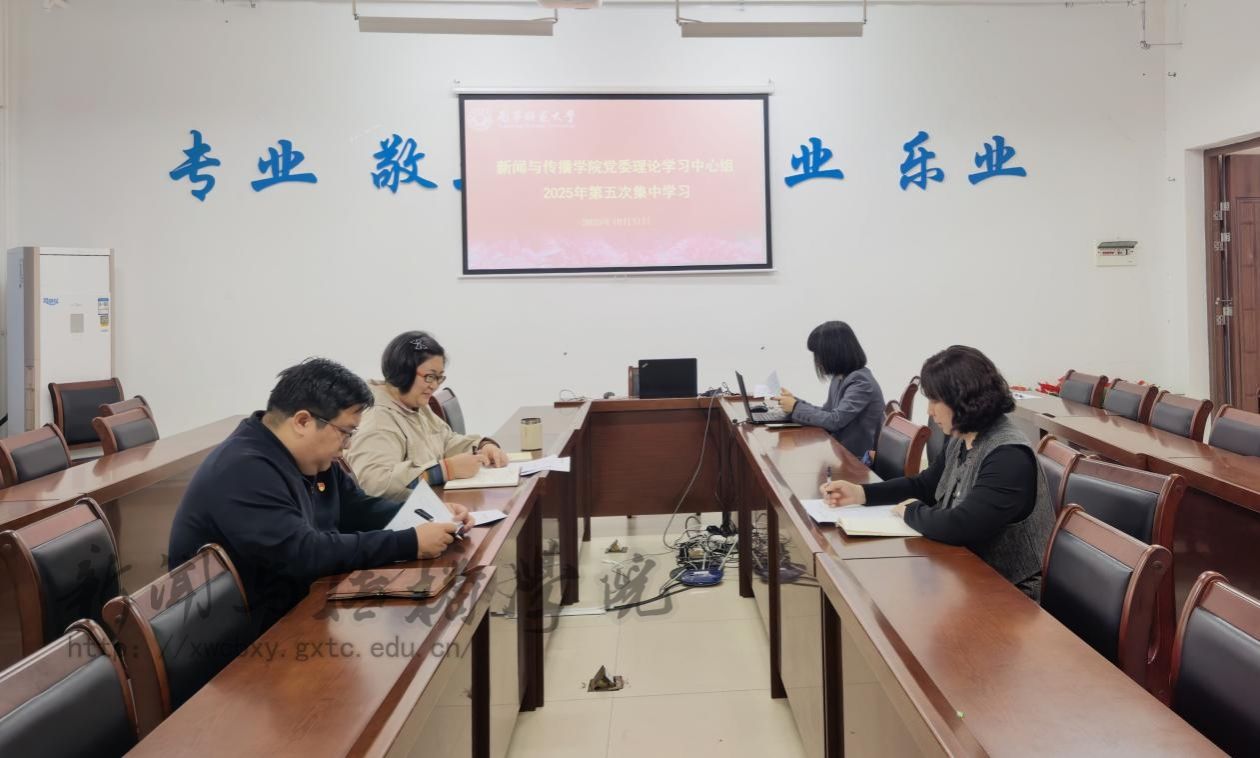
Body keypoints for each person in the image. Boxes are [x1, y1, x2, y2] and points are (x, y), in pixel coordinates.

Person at [168, 358, 474, 634]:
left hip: (295, 606)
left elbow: (357, 508)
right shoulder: (244, 469)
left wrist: (429, 515)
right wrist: (410, 542)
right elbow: (303, 553)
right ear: (303, 421)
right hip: (243, 641)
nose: (348, 445)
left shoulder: (309, 458)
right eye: (346, 432)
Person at [819, 345, 1054, 599]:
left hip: (1011, 591)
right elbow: (925, 485)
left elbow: (962, 525)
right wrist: (861, 493)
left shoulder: (1008, 456)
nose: (929, 411)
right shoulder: (963, 436)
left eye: (934, 401)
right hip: (963, 571)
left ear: (964, 399)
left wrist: (911, 511)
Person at [347, 330, 509, 502]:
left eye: (439, 378)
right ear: (403, 372)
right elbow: (375, 485)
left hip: (430, 504)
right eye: (429, 377)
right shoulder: (377, 419)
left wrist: (482, 446)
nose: (435, 386)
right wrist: (446, 470)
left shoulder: (414, 403)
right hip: (404, 515)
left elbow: (446, 441)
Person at [773, 320, 885, 458]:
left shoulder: (861, 382)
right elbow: (827, 413)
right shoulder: (840, 377)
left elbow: (835, 421)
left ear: (833, 353)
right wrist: (795, 402)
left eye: (818, 354)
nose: (817, 361)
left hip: (858, 461)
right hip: (840, 453)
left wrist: (796, 407)